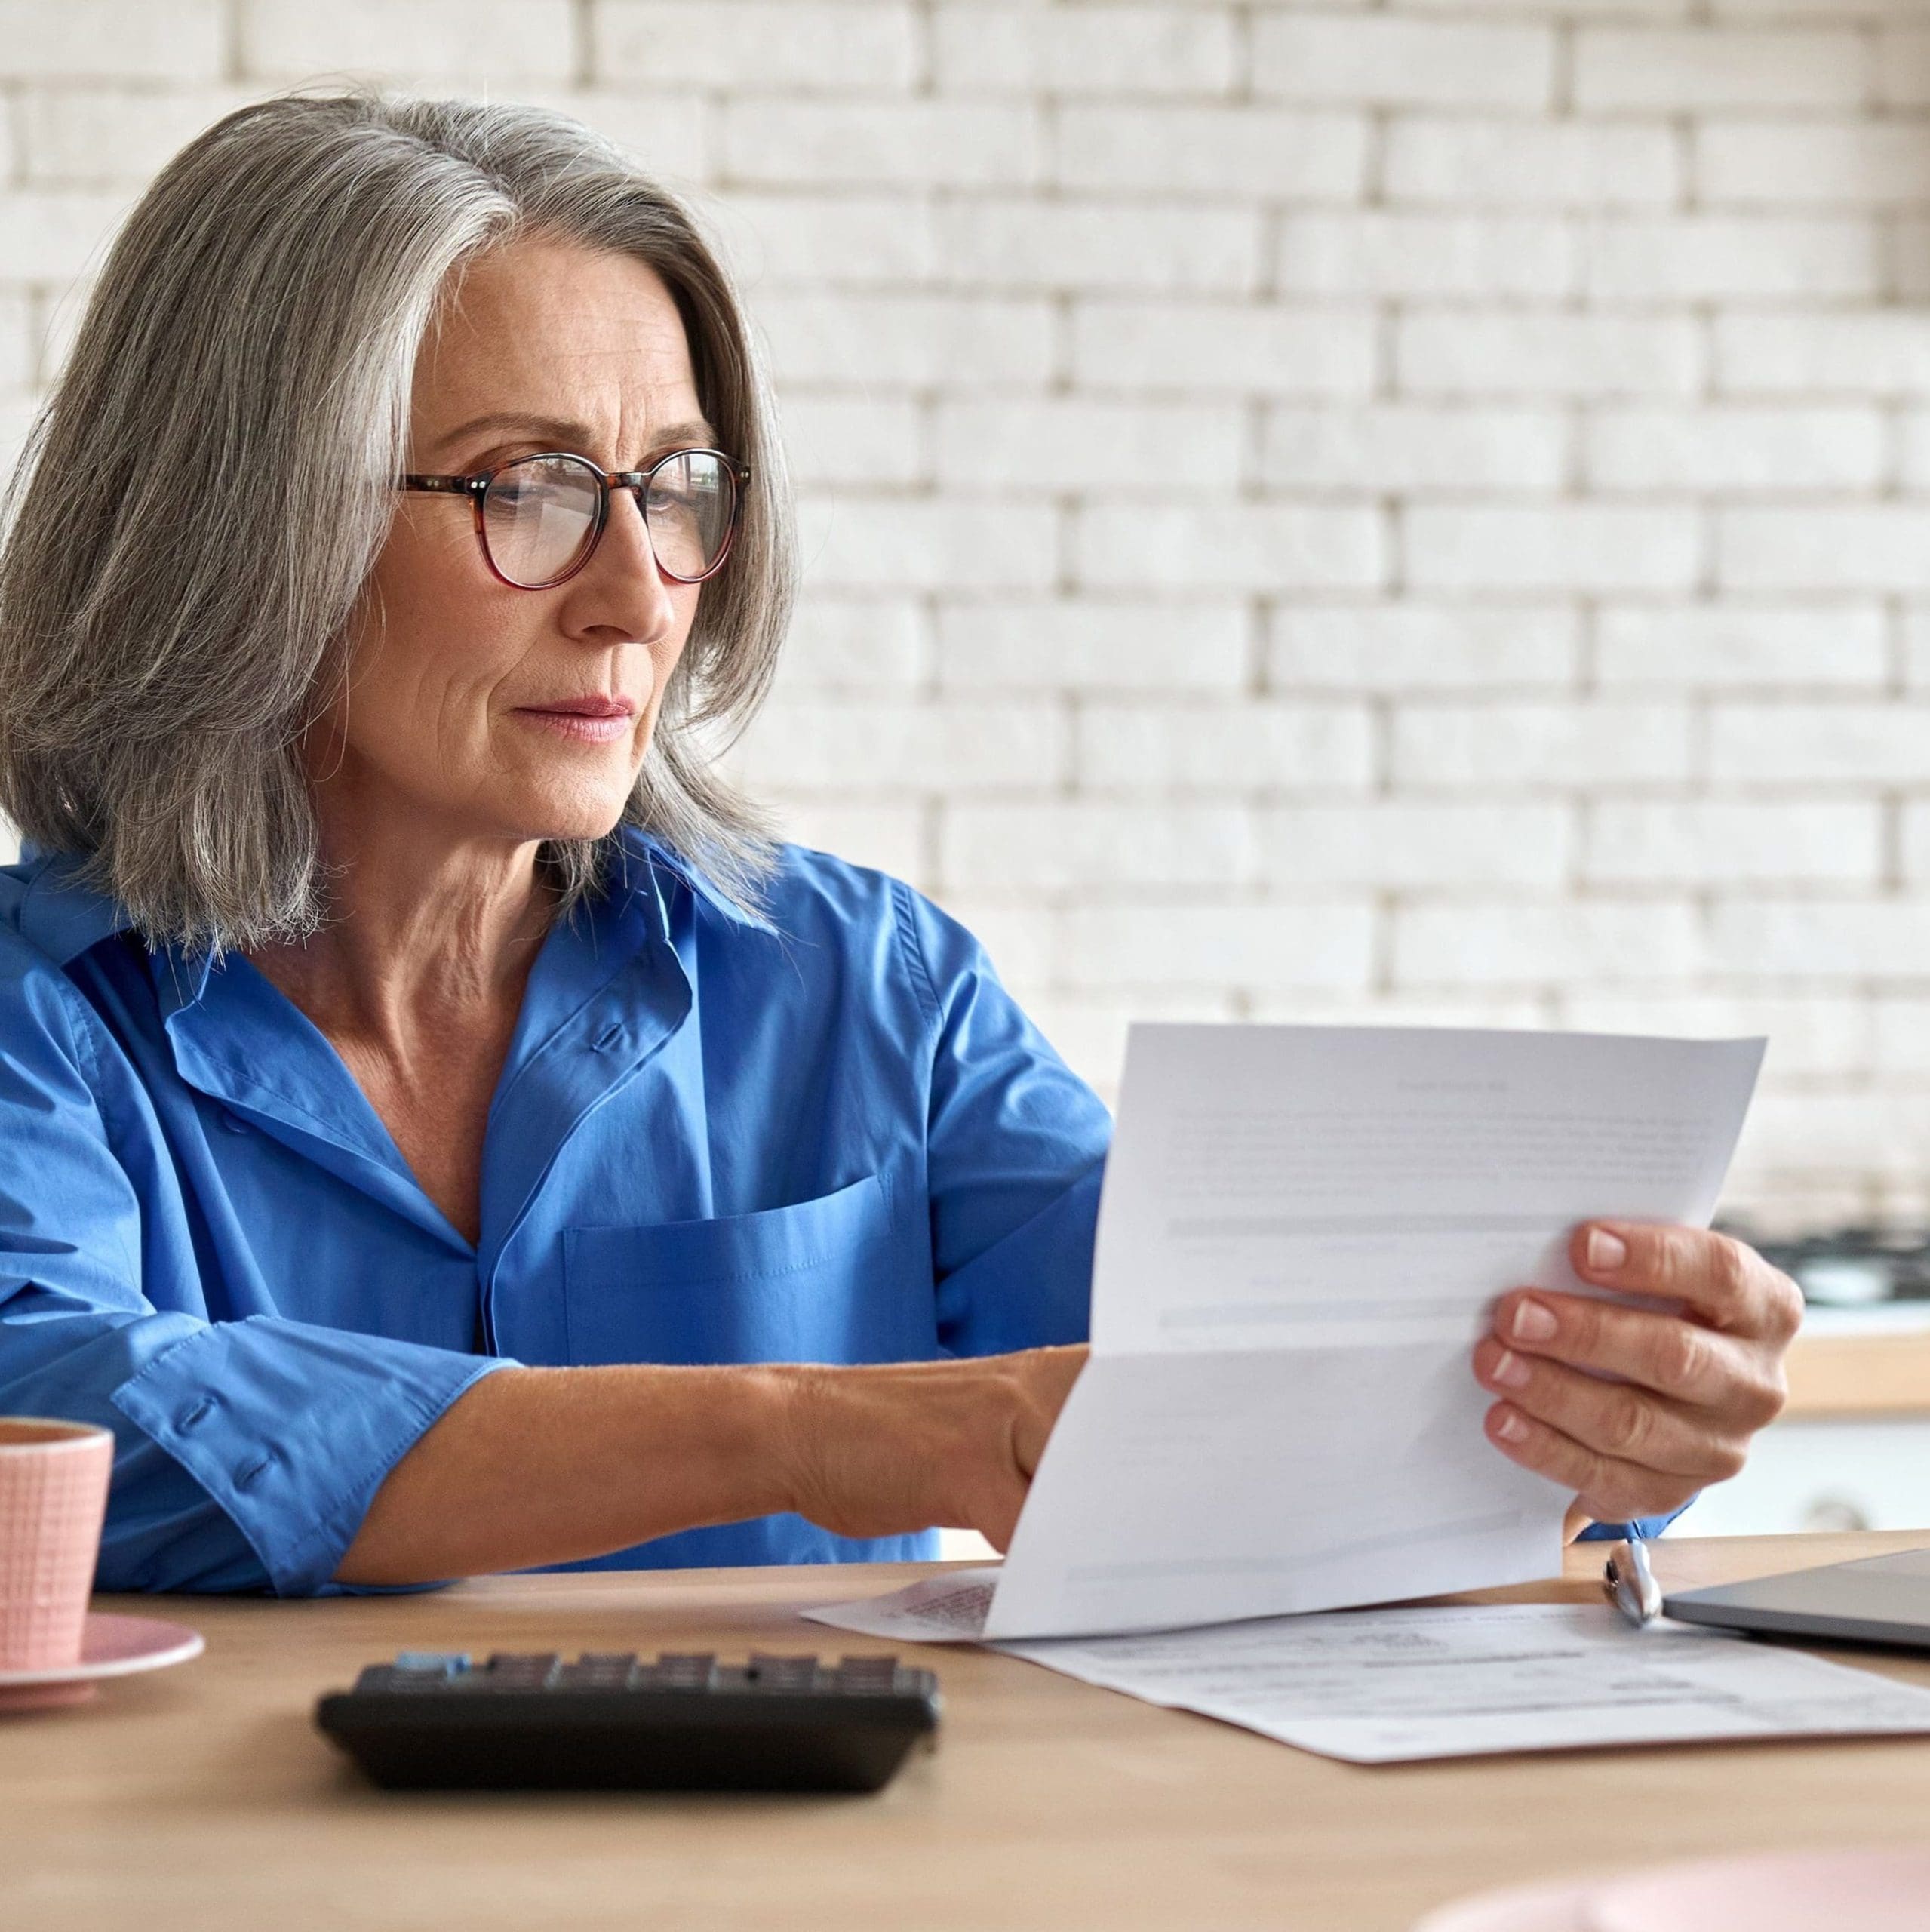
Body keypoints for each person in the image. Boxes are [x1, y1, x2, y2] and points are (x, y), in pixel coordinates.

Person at [0, 93, 1802, 1596]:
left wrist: (1593, 1407)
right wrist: (825, 1427)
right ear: (249, 531)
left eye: (678, 490)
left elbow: (1231, 1397)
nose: (641, 596)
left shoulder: (873, 991)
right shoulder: (38, 1024)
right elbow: (65, 1426)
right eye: (523, 490)